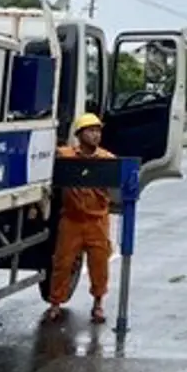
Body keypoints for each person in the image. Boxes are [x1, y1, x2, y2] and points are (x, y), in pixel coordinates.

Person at [45, 113, 117, 324]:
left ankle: (98, 304)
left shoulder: (107, 160)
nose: (95, 135)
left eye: (98, 131)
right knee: (62, 263)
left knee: (99, 264)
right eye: (90, 131)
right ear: (79, 134)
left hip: (97, 221)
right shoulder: (66, 156)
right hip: (72, 220)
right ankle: (55, 303)